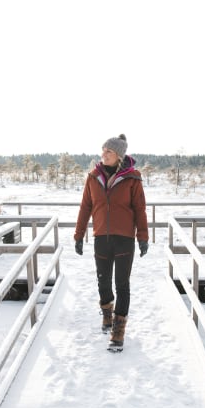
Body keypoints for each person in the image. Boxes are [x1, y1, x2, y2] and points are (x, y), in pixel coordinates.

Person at [74, 134, 149, 352]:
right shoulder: (93, 177)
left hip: (125, 239)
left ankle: (118, 330)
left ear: (119, 156)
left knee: (122, 284)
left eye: (108, 152)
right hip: (101, 238)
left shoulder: (132, 178)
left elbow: (140, 210)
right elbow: (85, 207)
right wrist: (79, 235)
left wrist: (142, 237)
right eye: (103, 150)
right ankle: (107, 314)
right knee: (103, 282)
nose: (103, 155)